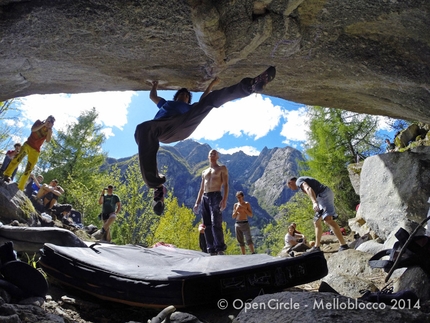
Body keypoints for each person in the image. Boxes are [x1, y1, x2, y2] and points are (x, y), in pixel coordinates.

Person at [135, 66, 276, 215]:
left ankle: (251, 86)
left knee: (210, 100)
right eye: (182, 94)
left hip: (184, 123)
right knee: (142, 128)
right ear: (176, 97)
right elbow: (153, 97)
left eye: (187, 96)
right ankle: (157, 186)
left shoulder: (190, 107)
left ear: (189, 100)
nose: (184, 96)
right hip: (162, 128)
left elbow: (205, 98)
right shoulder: (165, 104)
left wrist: (212, 84)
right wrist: (154, 85)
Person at [287, 176, 349, 252]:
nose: (291, 189)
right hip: (320, 198)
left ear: (290, 182)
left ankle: (343, 244)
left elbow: (308, 188)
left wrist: (314, 202)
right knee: (316, 222)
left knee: (328, 220)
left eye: (290, 187)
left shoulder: (298, 181)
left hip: (323, 195)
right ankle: (317, 246)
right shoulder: (300, 181)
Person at [2, 116, 54, 190]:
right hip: (28, 145)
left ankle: (21, 186)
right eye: (48, 121)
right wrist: (43, 124)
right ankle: (7, 175)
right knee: (17, 158)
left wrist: (49, 131)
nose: (49, 123)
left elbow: (48, 140)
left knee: (29, 169)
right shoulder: (38, 122)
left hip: (36, 151)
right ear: (46, 120)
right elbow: (33, 130)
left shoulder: (49, 131)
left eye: (51, 122)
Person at [193, 150, 229, 255]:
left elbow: (226, 184)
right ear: (208, 156)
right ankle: (211, 248)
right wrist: (197, 202)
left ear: (218, 156)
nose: (212, 154)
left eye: (214, 153)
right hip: (205, 197)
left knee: (216, 223)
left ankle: (219, 248)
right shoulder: (204, 172)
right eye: (210, 153)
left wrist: (224, 199)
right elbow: (201, 188)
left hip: (216, 196)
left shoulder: (222, 168)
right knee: (206, 224)